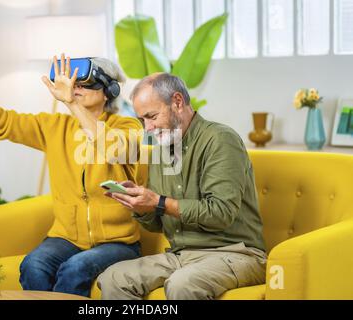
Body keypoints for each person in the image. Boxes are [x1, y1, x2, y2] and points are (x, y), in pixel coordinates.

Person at [0, 35, 144, 297]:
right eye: (73, 84)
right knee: (33, 265)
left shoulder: (128, 127)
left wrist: (70, 103)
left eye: (85, 84)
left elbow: (113, 149)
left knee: (75, 268)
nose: (75, 88)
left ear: (109, 91)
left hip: (119, 243)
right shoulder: (55, 127)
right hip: (66, 239)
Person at [97, 72, 267, 300]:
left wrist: (158, 201)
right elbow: (158, 225)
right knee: (114, 278)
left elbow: (221, 213)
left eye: (152, 116)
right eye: (142, 120)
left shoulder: (220, 140)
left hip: (236, 253)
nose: (147, 128)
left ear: (177, 102)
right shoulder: (159, 151)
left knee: (182, 284)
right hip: (181, 255)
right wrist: (140, 206)